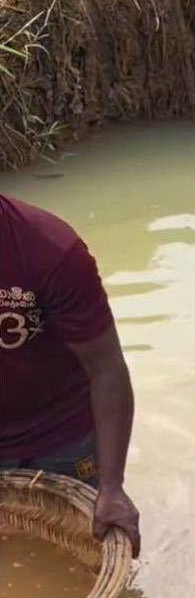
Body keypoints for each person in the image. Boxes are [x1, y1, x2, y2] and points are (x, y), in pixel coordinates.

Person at [0, 195, 141, 556]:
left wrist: (112, 486)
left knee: (77, 557)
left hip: (62, 441)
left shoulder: (49, 248)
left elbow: (106, 369)